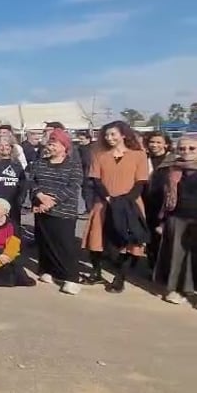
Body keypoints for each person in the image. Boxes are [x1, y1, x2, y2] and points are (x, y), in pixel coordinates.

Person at [82, 121, 150, 293]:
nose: (109, 138)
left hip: (130, 204)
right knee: (96, 240)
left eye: (113, 134)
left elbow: (141, 181)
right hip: (104, 203)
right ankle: (96, 273)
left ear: (123, 135)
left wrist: (125, 201)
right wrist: (108, 197)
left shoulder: (139, 155)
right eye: (106, 134)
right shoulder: (99, 155)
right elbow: (96, 179)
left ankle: (120, 278)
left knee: (127, 243)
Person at [26, 129, 83, 295]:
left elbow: (73, 186)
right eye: (49, 144)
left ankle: (71, 278)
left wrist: (53, 201)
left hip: (64, 211)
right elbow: (31, 180)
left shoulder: (73, 164)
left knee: (64, 244)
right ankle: (48, 270)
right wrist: (40, 195)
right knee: (45, 242)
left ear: (64, 147)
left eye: (54, 144)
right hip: (42, 209)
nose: (50, 147)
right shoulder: (40, 163)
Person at [154, 134, 197, 305]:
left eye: (192, 148)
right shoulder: (173, 169)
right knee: (176, 256)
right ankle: (175, 289)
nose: (186, 151)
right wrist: (163, 221)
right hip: (177, 217)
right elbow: (166, 197)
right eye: (182, 148)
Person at [143, 131, 176, 268]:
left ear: (166, 144)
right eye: (152, 142)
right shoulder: (144, 159)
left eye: (158, 142)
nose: (154, 145)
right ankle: (153, 267)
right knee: (150, 237)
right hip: (146, 203)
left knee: (166, 237)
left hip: (165, 205)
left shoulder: (173, 161)